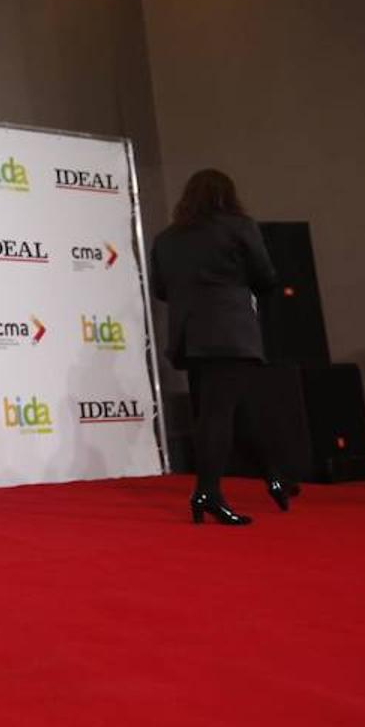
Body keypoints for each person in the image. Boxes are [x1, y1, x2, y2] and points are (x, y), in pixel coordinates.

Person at [150, 168, 294, 525]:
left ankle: (275, 476)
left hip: (190, 336)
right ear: (227, 196)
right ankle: (207, 492)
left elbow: (160, 289)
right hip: (230, 333)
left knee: (233, 410)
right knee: (219, 416)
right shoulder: (239, 227)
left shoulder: (167, 238)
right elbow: (266, 277)